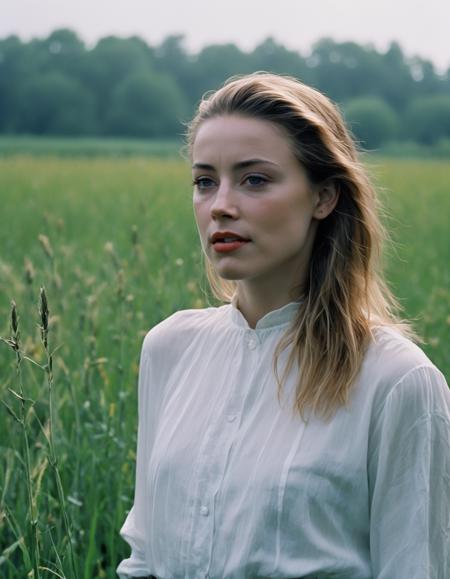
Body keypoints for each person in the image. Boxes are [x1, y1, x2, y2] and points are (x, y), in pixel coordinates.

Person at [116, 73, 450, 579]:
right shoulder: (169, 349)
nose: (220, 205)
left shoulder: (397, 380)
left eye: (255, 179)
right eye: (205, 181)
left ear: (324, 197)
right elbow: (144, 558)